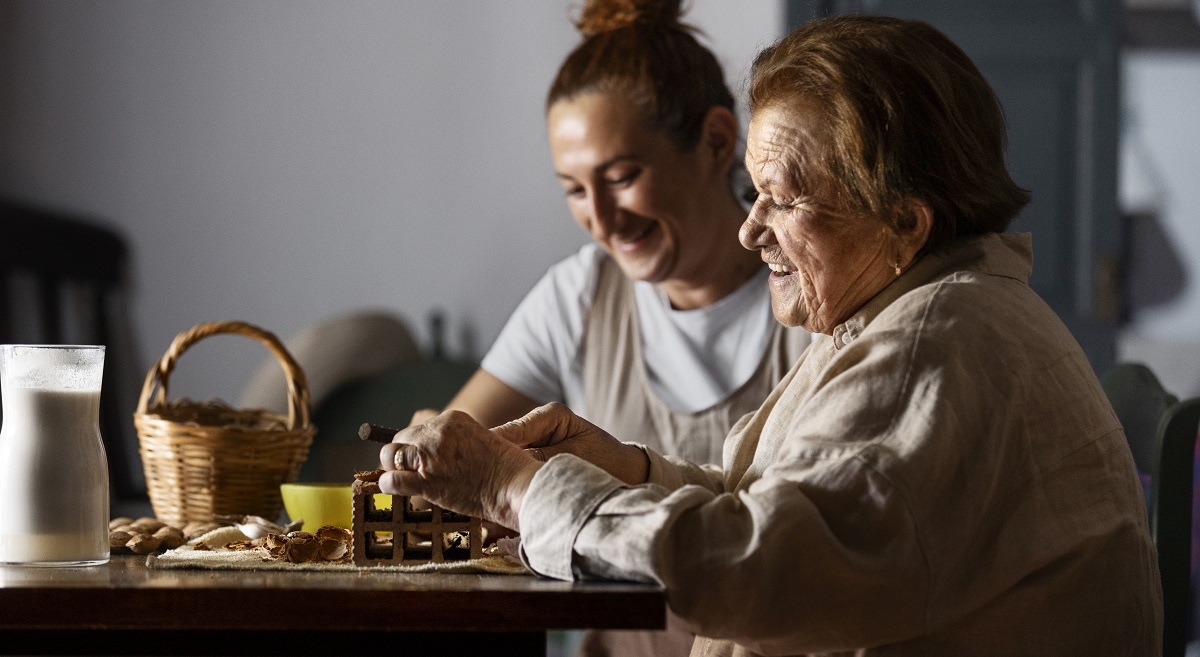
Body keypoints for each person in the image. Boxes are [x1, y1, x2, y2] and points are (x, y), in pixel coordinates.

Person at [383, 15, 1161, 655]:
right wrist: (624, 467)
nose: (753, 231)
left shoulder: (932, 341)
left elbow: (757, 568)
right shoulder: (903, 312)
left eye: (783, 201)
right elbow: (781, 507)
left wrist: (509, 486)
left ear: (905, 220)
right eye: (753, 196)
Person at [422, 0, 810, 472]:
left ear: (716, 141)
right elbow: (449, 451)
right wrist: (431, 446)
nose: (602, 221)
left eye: (622, 178)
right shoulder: (579, 296)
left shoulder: (819, 286)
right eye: (575, 190)